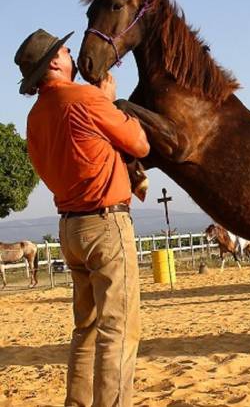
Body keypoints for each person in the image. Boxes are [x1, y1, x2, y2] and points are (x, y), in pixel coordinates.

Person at [15, 29, 150, 407]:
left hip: (69, 226)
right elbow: (140, 143)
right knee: (119, 330)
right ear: (55, 62)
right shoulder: (86, 98)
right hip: (105, 224)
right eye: (66, 50)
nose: (72, 53)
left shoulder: (35, 116)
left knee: (86, 329)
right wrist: (108, 102)